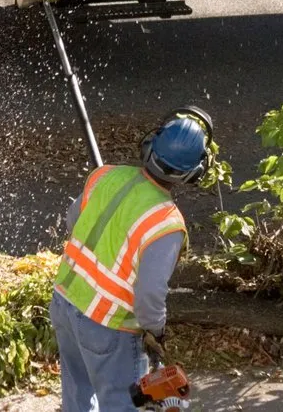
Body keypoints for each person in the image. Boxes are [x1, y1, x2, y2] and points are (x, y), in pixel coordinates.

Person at [49, 106, 214, 412]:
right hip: (107, 325)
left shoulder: (105, 175)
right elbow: (149, 293)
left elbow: (75, 223)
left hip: (64, 301)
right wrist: (156, 330)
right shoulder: (165, 222)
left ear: (150, 144)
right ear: (193, 173)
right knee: (120, 405)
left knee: (78, 395)